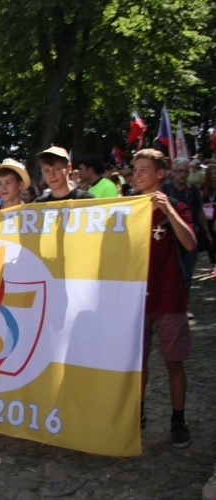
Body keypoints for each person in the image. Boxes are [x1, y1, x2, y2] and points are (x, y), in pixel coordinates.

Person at [133, 148, 196, 448]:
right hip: (135, 299)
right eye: (136, 169)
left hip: (169, 296)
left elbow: (191, 243)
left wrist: (169, 211)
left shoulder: (177, 206)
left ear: (161, 174)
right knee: (137, 362)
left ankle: (178, 419)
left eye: (144, 169)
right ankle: (138, 413)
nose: (138, 175)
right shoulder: (127, 208)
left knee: (174, 362)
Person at [163, 157, 212, 300]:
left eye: (185, 171)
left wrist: (206, 232)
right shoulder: (165, 189)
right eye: (179, 171)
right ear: (172, 172)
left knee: (188, 271)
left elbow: (199, 211)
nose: (182, 174)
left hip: (191, 234)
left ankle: (184, 302)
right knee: (174, 272)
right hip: (171, 237)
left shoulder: (194, 190)